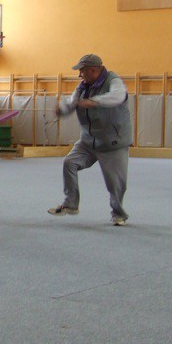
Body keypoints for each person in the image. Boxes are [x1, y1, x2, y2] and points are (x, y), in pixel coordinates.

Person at [48, 54, 132, 226]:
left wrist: (94, 102)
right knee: (70, 163)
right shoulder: (83, 87)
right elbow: (71, 102)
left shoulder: (114, 81)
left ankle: (118, 214)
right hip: (88, 141)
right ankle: (71, 204)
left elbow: (117, 96)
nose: (80, 75)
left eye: (82, 71)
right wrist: (61, 109)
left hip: (112, 143)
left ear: (94, 70)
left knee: (116, 184)